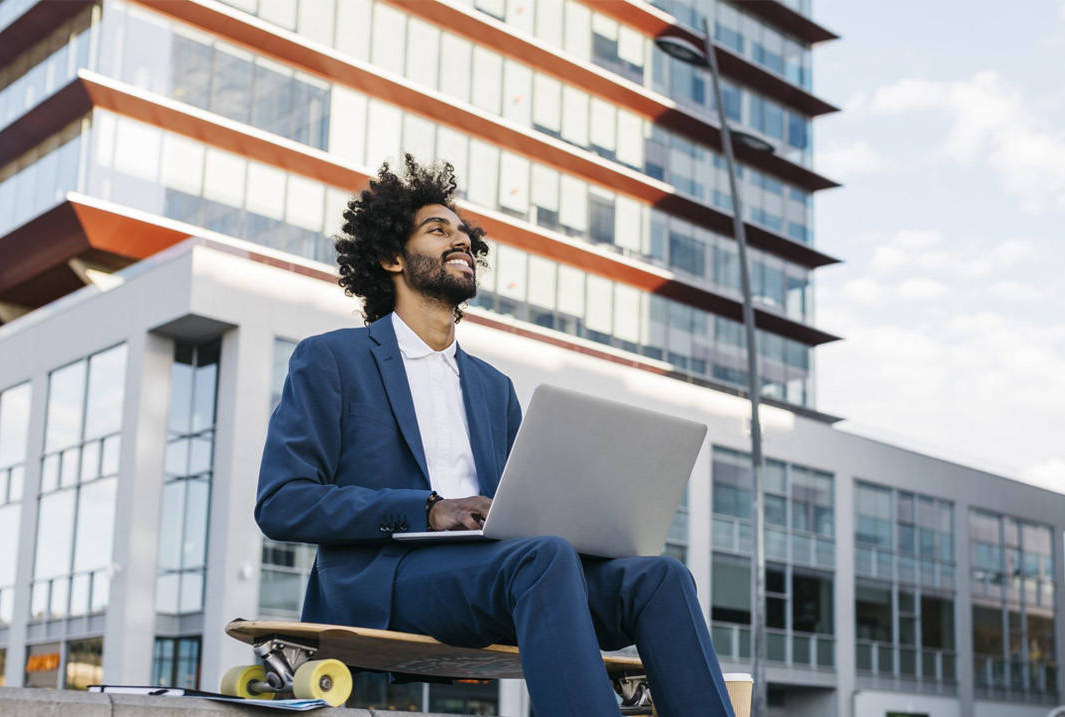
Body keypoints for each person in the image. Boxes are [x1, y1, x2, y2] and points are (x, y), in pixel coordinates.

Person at [255, 156, 735, 716]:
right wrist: (429, 509)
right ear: (390, 257)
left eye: (465, 235)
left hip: (502, 573)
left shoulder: (494, 387)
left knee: (660, 576)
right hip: (388, 580)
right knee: (543, 558)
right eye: (439, 231)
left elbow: (519, 512)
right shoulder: (332, 359)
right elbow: (282, 503)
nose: (460, 241)